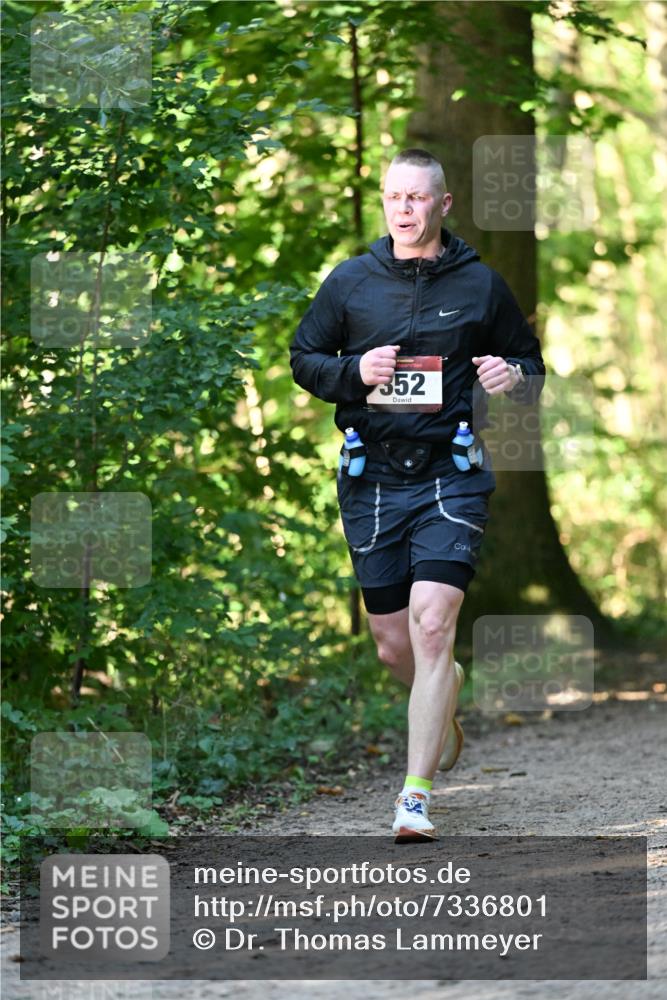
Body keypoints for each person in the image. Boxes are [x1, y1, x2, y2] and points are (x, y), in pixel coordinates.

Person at [290, 148, 545, 842]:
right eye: (393, 198)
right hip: (370, 475)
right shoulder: (349, 283)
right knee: (393, 645)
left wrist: (508, 376)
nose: (404, 210)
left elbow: (529, 365)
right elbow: (302, 359)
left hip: (450, 472)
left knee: (433, 624)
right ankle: (443, 692)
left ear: (443, 204)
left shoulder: (481, 285)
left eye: (416, 198)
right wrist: (352, 371)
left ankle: (414, 796)